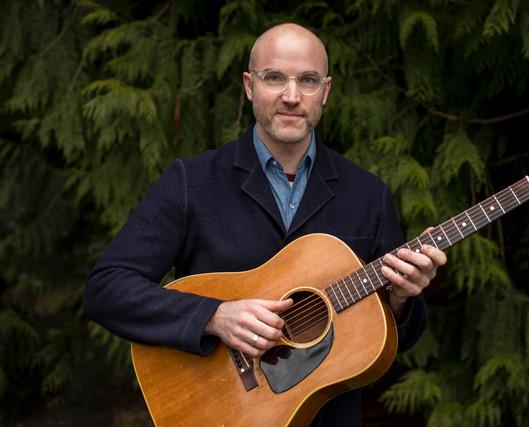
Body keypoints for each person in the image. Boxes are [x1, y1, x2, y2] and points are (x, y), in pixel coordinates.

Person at [84, 23, 447, 426]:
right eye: (274, 78)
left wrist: (400, 299)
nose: (291, 97)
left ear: (325, 91)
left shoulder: (367, 194)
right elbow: (107, 289)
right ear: (249, 85)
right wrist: (214, 316)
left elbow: (394, 343)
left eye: (307, 81)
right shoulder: (192, 181)